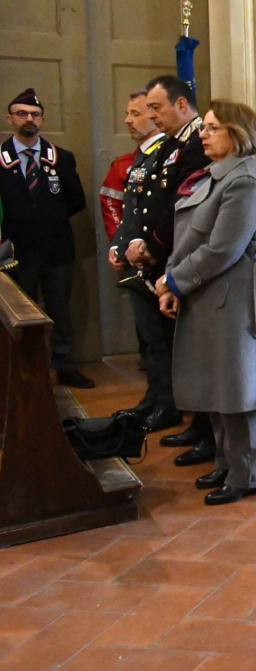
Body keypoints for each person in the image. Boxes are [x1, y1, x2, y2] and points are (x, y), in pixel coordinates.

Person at [157, 101, 256, 505]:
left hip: (237, 297)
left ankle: (248, 473)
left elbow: (222, 249)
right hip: (212, 293)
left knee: (238, 389)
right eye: (203, 128)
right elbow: (191, 235)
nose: (203, 134)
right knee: (218, 384)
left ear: (237, 132)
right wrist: (174, 280)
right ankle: (228, 462)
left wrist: (175, 281)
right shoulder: (217, 176)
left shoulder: (244, 181)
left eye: (212, 128)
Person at [115, 75, 214, 460]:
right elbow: (153, 199)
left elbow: (182, 205)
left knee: (192, 350)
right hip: (164, 254)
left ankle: (205, 426)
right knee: (168, 346)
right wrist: (136, 242)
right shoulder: (174, 144)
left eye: (156, 107)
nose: (151, 115)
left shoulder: (193, 145)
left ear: (182, 105)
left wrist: (154, 248)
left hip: (180, 256)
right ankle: (189, 417)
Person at [0, 88, 93, 388]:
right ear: (10, 118)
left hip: (56, 250)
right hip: (16, 252)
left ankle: (64, 366)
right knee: (21, 317)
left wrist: (47, 218)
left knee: (60, 311)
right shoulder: (0, 159)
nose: (30, 119)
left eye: (36, 115)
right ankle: (26, 371)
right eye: (23, 114)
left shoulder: (61, 159)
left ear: (42, 119)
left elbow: (76, 200)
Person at [100, 90, 163, 372]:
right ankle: (155, 395)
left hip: (156, 257)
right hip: (132, 253)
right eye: (127, 113)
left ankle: (165, 399)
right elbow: (124, 210)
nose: (127, 120)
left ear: (154, 114)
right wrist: (118, 244)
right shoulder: (129, 162)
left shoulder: (167, 156)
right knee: (148, 334)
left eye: (135, 113)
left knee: (161, 339)